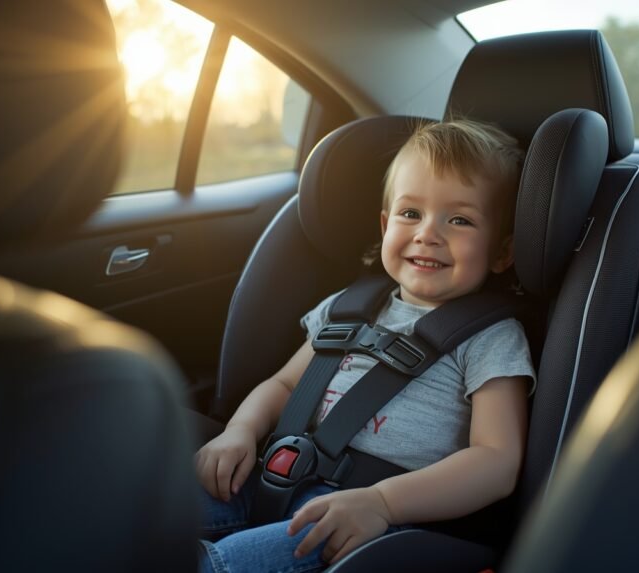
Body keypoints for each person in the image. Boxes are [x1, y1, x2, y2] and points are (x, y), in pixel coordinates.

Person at [194, 118, 536, 573]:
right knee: (135, 517)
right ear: (384, 224)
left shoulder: (491, 338)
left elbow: (497, 461)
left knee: (222, 566)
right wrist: (240, 430)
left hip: (383, 516)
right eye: (410, 213)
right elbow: (281, 385)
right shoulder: (345, 308)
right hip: (275, 476)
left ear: (501, 252)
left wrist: (383, 503)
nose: (427, 233)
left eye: (460, 220)